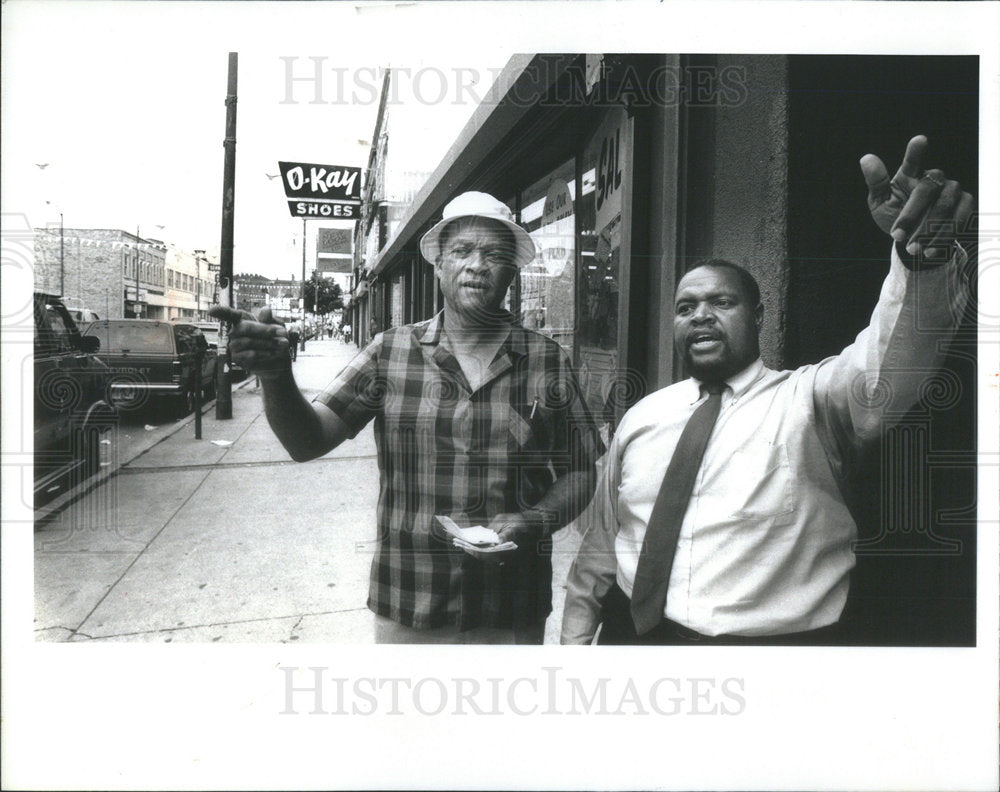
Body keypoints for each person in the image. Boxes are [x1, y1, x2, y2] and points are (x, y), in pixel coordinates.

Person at [561, 134, 975, 646]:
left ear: (757, 316)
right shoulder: (644, 416)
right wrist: (574, 644)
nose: (701, 315)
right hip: (633, 639)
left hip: (768, 654)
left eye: (722, 302)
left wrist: (922, 262)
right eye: (686, 307)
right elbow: (604, 540)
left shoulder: (810, 401)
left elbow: (885, 370)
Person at [212, 191, 603, 644]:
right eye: (462, 251)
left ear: (512, 271)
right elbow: (307, 441)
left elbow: (580, 471)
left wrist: (535, 520)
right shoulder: (390, 352)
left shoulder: (547, 361)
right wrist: (276, 376)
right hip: (410, 600)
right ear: (438, 265)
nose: (477, 265)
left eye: (494, 255)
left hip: (512, 604)